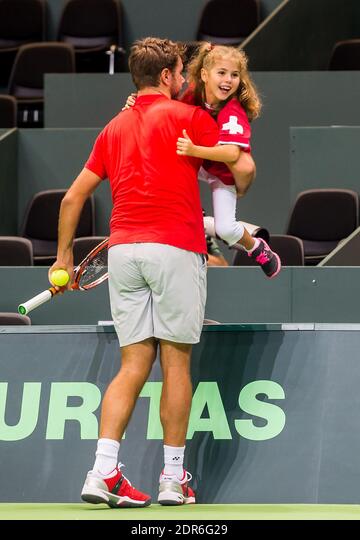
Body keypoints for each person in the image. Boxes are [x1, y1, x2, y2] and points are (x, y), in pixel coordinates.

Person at [49, 37, 219, 508]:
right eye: (180, 73)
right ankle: (172, 478)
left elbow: (71, 199)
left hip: (123, 253)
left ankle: (102, 472)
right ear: (166, 76)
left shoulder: (114, 126)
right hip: (175, 248)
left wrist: (63, 260)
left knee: (132, 365)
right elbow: (236, 166)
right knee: (176, 362)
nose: (184, 79)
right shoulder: (188, 118)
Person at [177, 43, 281, 278]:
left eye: (234, 75)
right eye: (221, 73)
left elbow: (232, 154)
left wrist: (194, 149)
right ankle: (196, 218)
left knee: (226, 229)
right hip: (197, 164)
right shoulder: (193, 94)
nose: (228, 80)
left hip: (221, 174)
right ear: (204, 75)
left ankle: (257, 247)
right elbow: (168, 107)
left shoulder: (232, 110)